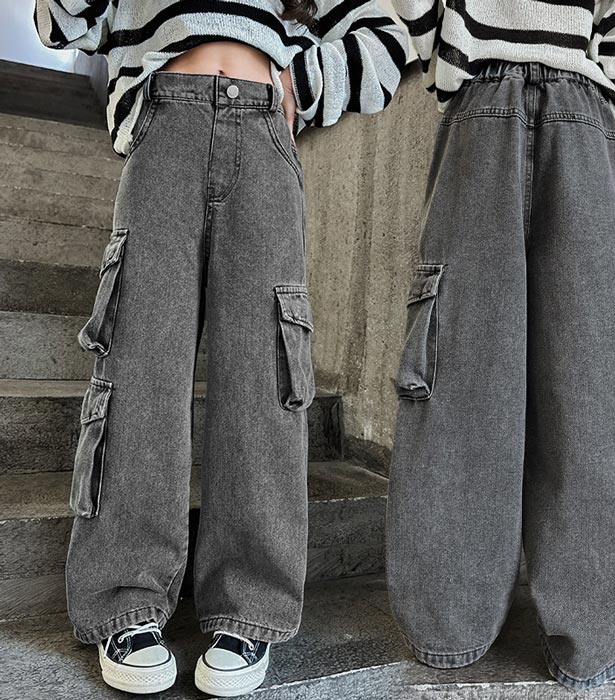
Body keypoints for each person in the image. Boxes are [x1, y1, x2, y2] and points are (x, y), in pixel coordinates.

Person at [34, 0, 407, 695]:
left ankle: (249, 606)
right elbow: (61, 22)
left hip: (265, 134)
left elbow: (386, 40)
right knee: (139, 373)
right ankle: (126, 599)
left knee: (265, 380)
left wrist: (303, 81)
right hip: (163, 128)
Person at [386, 0, 615, 691]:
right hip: (514, 106)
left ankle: (467, 622)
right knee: (506, 378)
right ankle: (544, 628)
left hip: (538, 107)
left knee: (549, 376)